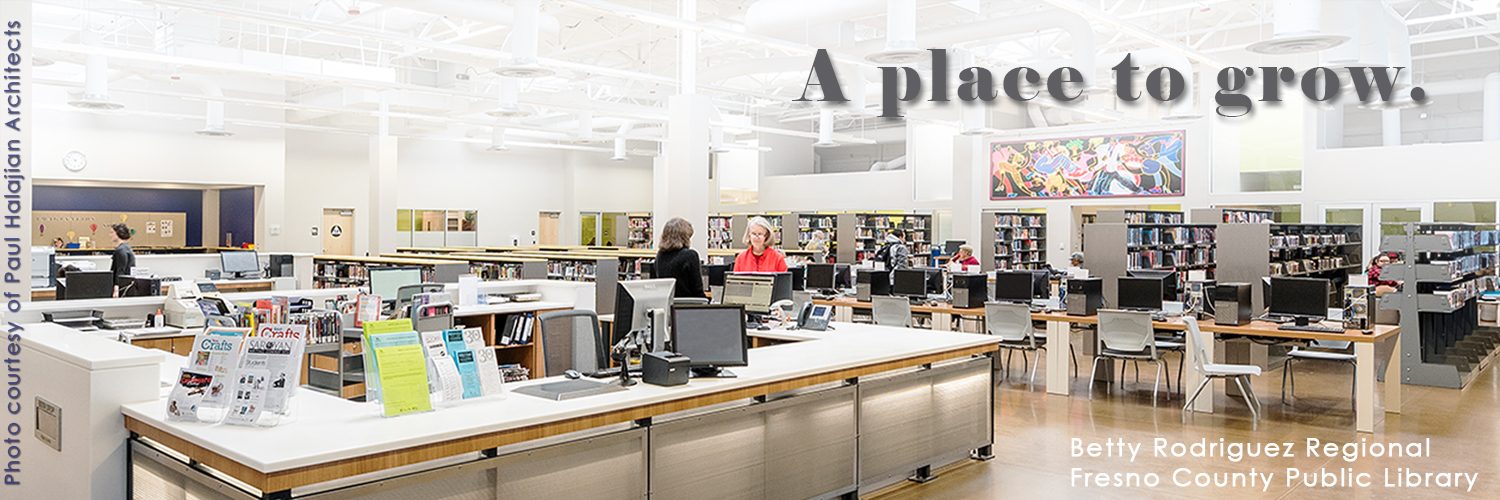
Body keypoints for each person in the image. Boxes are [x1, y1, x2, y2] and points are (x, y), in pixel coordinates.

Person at [651, 217, 705, 300]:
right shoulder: (690, 255)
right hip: (688, 306)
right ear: (684, 237)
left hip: (667, 306)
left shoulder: (660, 255)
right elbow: (697, 290)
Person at [108, 222, 135, 297]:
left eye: (112, 232)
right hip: (127, 285)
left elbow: (120, 271)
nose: (110, 235)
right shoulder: (127, 248)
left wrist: (116, 289)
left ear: (118, 233)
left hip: (122, 286)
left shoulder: (121, 250)